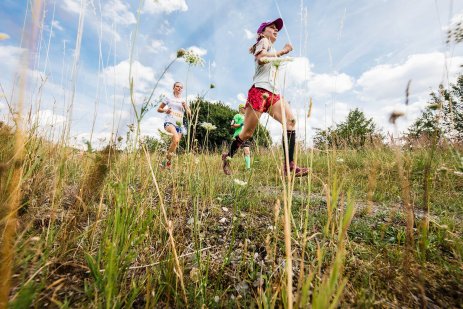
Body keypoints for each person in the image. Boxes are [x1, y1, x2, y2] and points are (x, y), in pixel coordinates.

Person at [221, 17, 308, 177]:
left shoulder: (270, 47)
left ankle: (289, 166)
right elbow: (261, 59)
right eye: (272, 27)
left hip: (273, 94)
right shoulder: (263, 41)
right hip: (259, 92)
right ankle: (228, 157)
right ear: (263, 31)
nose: (276, 30)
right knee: (246, 133)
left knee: (290, 122)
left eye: (277, 29)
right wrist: (283, 51)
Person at [157, 82, 191, 168]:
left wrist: (185, 106)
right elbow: (159, 109)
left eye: (181, 87)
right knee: (176, 139)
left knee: (175, 143)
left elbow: (190, 114)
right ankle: (167, 163)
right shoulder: (168, 98)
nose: (179, 88)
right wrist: (166, 110)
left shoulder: (183, 100)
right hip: (169, 122)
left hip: (179, 125)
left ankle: (166, 163)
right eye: (177, 86)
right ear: (174, 87)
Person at [231, 103, 251, 169]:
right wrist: (241, 124)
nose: (246, 109)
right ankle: (226, 163)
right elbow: (232, 125)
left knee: (247, 151)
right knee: (232, 152)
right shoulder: (237, 115)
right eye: (244, 108)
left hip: (245, 136)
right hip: (238, 136)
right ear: (240, 108)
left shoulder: (246, 117)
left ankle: (248, 168)